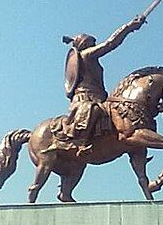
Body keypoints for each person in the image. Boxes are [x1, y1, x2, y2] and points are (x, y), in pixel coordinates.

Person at [50, 15, 146, 154]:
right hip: (86, 98)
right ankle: (79, 143)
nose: (95, 46)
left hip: (100, 97)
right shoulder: (86, 55)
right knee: (93, 110)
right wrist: (129, 27)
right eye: (92, 43)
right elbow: (110, 43)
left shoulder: (89, 57)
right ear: (85, 44)